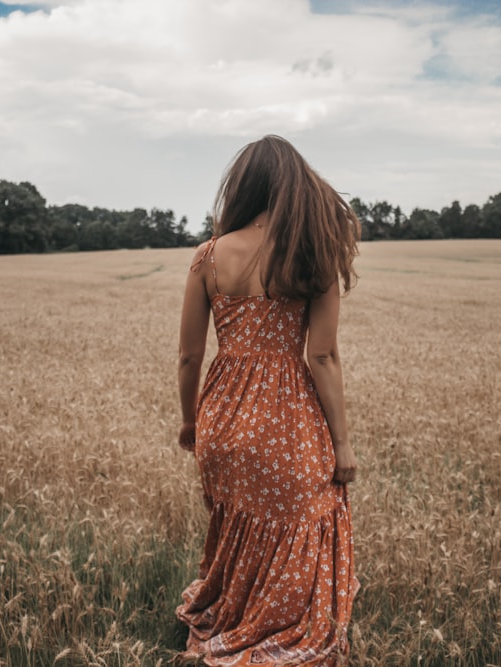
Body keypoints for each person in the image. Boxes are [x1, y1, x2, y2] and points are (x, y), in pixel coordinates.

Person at [175, 135, 360, 665]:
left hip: (223, 418)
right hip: (288, 420)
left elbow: (189, 357)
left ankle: (233, 613)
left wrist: (191, 424)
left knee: (237, 524)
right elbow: (322, 357)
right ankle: (279, 624)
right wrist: (342, 446)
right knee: (303, 521)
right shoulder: (313, 253)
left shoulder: (208, 257)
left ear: (244, 187)